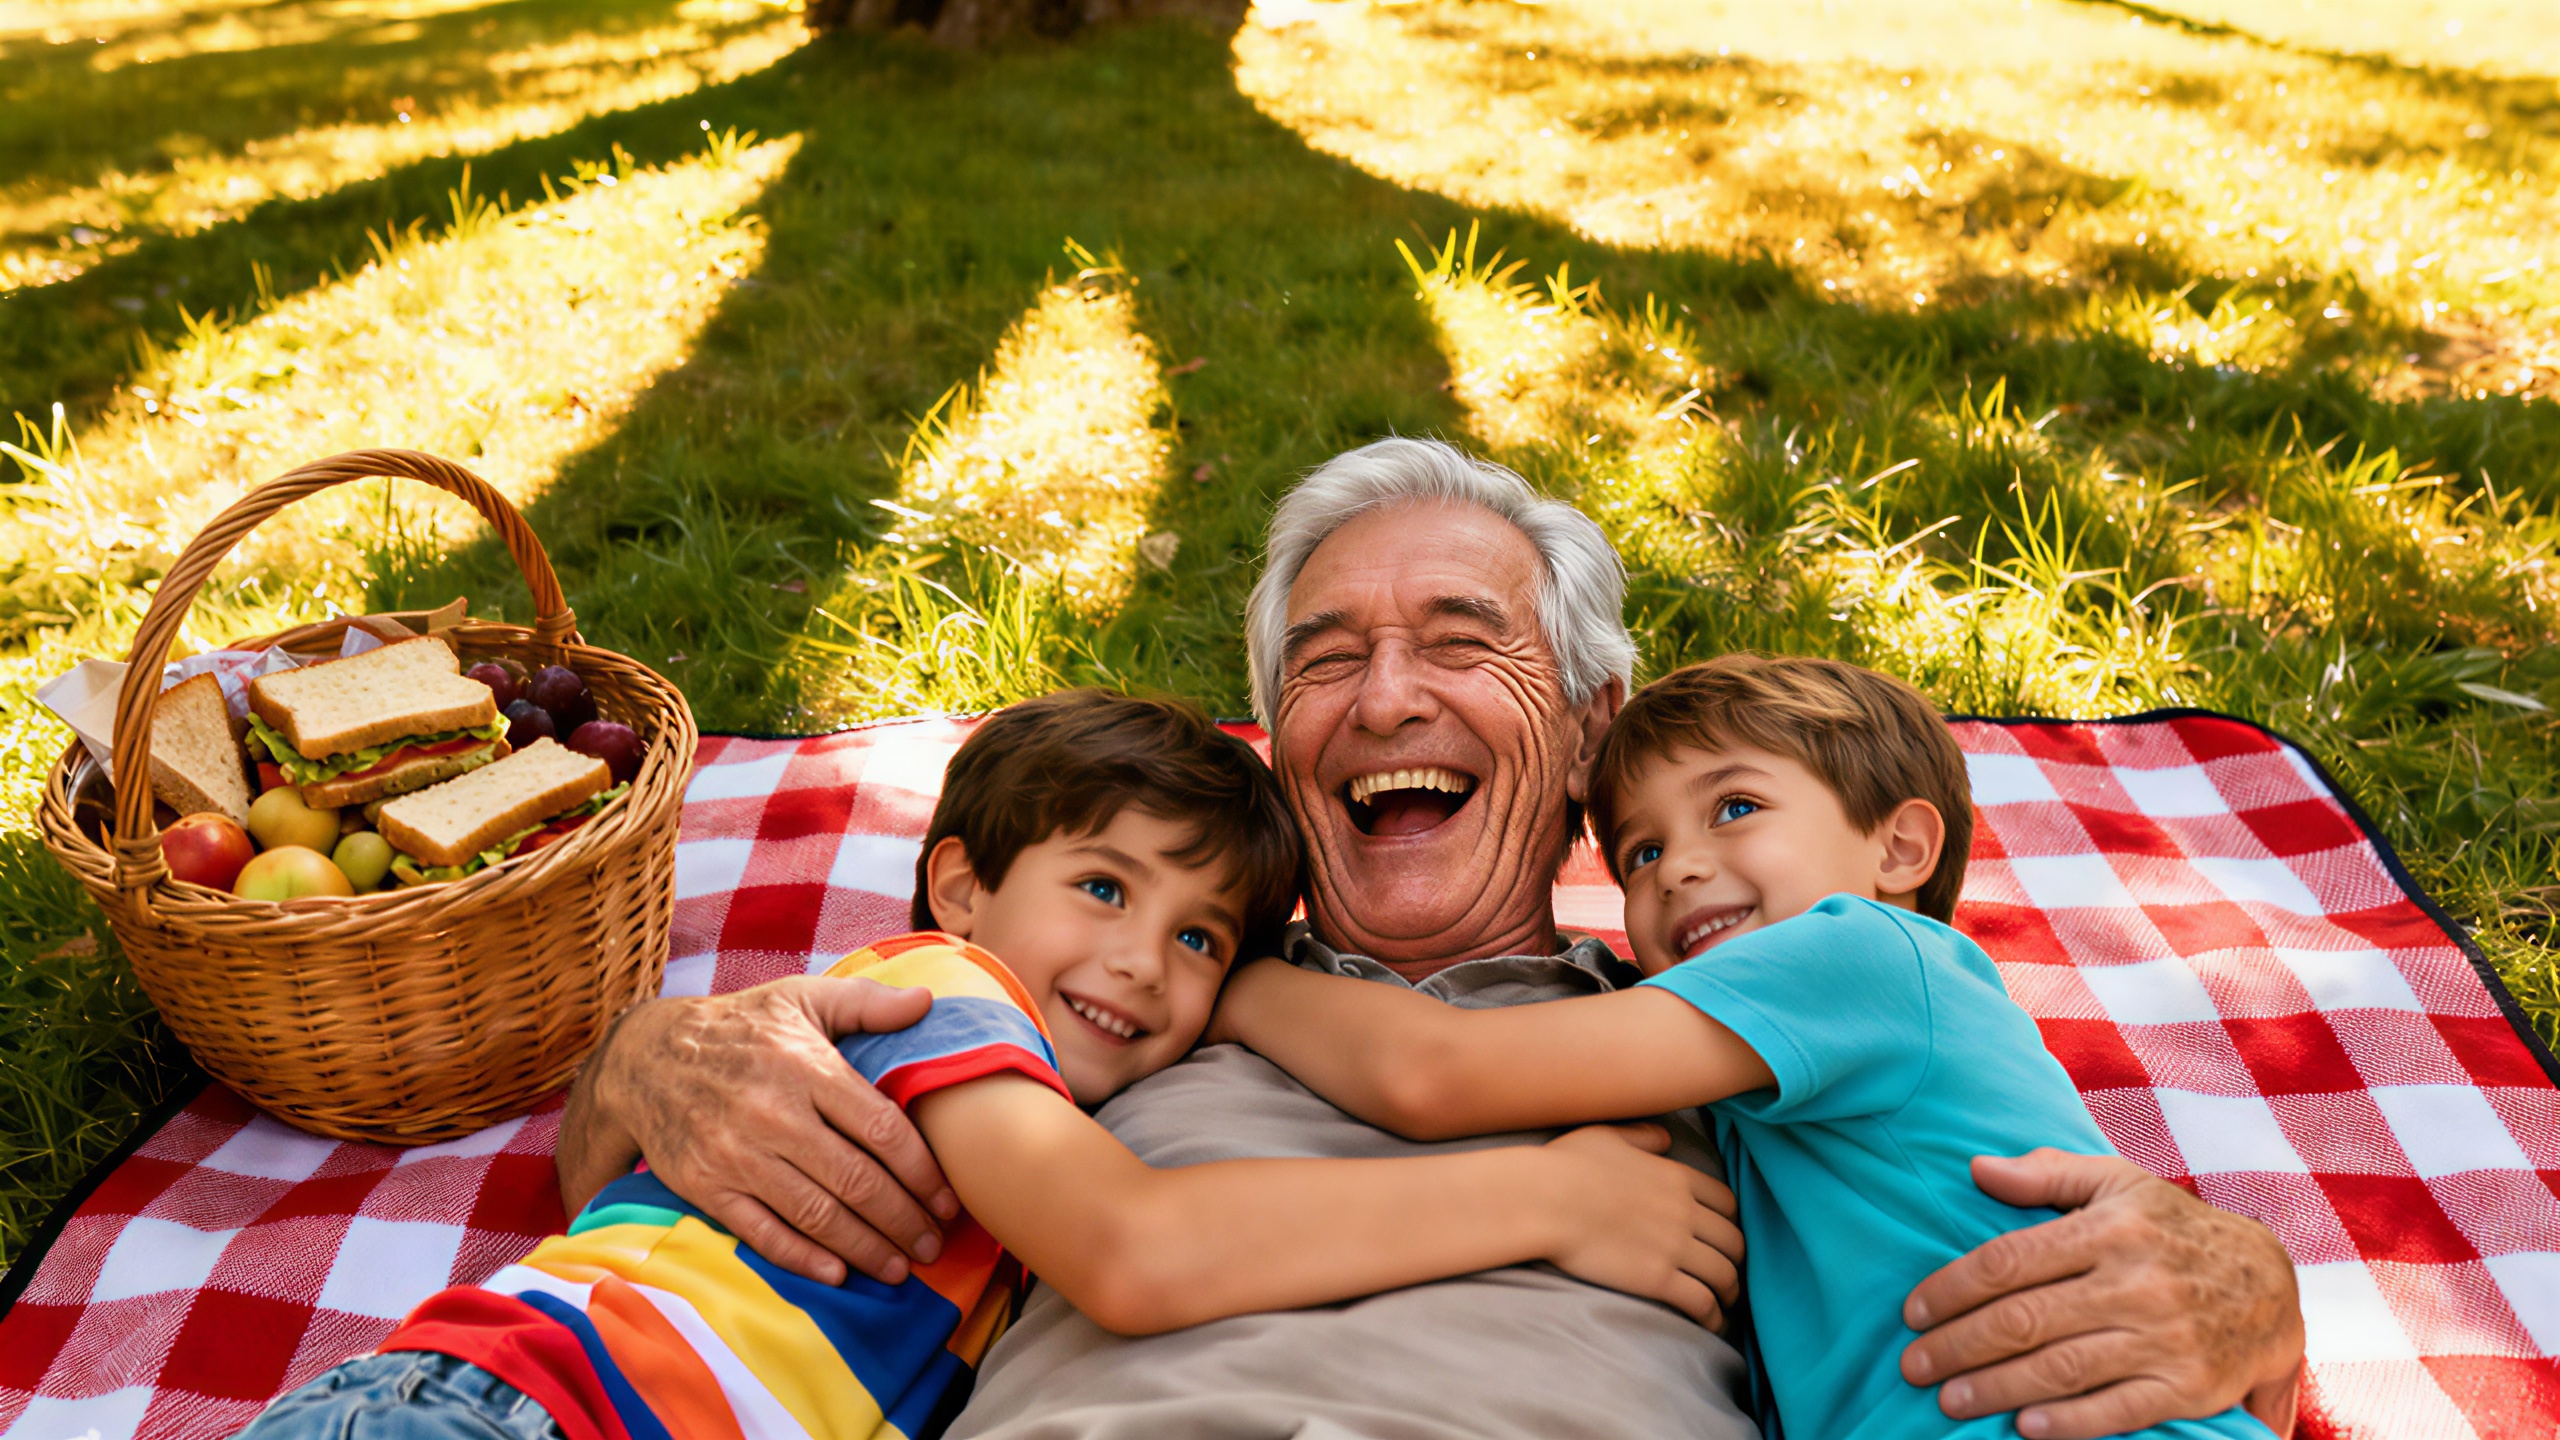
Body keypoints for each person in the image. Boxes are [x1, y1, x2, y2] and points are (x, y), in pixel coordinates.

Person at [562, 438, 2306, 1440]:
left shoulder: (1724, 1048)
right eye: (1325, 661)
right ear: (1279, 741)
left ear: (1591, 725)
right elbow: (657, 1194)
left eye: (1463, 641)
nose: (1386, 696)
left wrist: (2255, 1298)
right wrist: (649, 1056)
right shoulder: (1118, 996)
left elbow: (1997, 1213)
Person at [233, 691, 1733, 1440]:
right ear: (958, 887)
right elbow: (1139, 1250)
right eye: (1102, 890)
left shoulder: (1049, 1092)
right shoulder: (938, 1002)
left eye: (1201, 937)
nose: (1143, 963)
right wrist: (1549, 1201)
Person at [1206, 654, 2279, 1440]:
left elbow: (1436, 1072)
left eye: (1734, 807)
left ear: (1899, 847)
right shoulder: (1753, 1077)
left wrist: (1240, 981)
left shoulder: (1860, 954)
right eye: (1640, 852)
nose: (1676, 868)